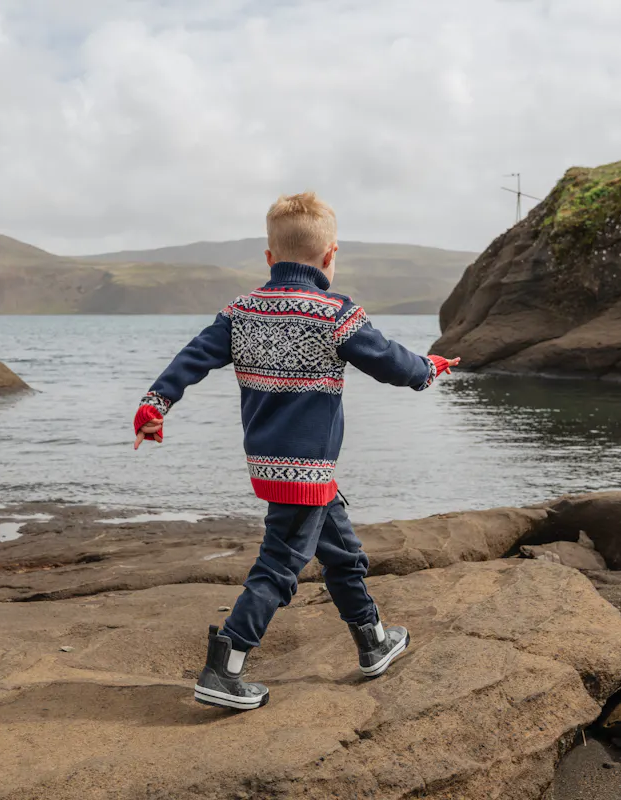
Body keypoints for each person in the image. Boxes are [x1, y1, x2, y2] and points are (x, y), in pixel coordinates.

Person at [132, 191, 460, 711]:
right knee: (280, 566)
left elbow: (190, 359)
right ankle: (226, 664)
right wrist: (428, 369)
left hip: (273, 464)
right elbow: (392, 363)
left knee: (342, 551)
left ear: (269, 258)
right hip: (307, 467)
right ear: (330, 255)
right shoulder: (335, 313)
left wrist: (154, 405)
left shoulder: (241, 311)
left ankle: (372, 640)